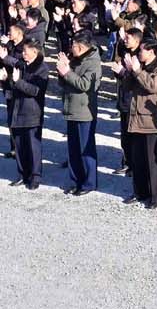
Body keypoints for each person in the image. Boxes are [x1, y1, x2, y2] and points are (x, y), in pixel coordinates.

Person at [122, 39, 157, 208]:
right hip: (136, 118)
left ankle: (155, 197)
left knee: (152, 161)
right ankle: (139, 192)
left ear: (152, 52)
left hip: (151, 120)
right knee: (137, 160)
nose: (139, 53)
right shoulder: (140, 67)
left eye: (142, 50)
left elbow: (153, 86)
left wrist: (137, 71)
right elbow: (127, 87)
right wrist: (129, 72)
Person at [56, 31, 101, 194]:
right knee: (73, 149)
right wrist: (61, 71)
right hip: (71, 108)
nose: (71, 48)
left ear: (81, 47)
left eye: (73, 45)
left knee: (85, 149)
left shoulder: (93, 62)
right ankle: (76, 180)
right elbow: (65, 81)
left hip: (84, 111)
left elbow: (84, 85)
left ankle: (89, 183)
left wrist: (67, 72)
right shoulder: (75, 58)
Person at [4, 38, 48, 190]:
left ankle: (35, 176)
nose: (23, 54)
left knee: (33, 147)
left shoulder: (41, 69)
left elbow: (35, 91)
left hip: (32, 113)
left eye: (25, 51)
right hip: (17, 111)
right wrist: (6, 80)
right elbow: (13, 77)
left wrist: (18, 82)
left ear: (35, 52)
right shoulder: (22, 65)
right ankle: (23, 173)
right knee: (19, 145)